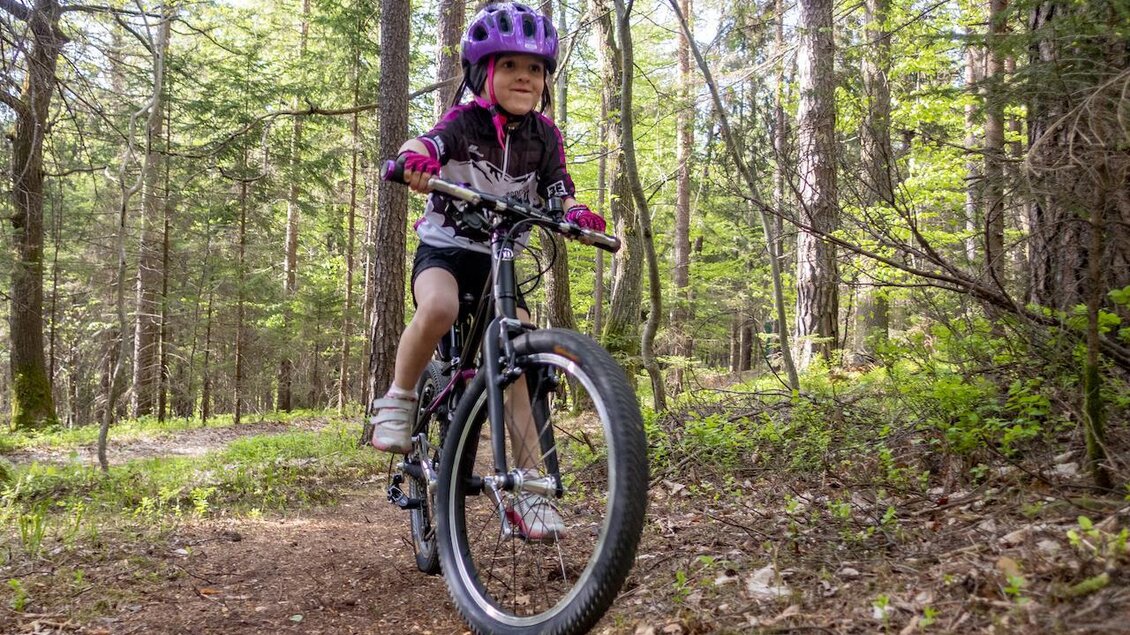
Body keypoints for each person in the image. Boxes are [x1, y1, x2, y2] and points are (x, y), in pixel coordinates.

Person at [370, 1, 606, 541]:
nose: (524, 77)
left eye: (535, 69)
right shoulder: (466, 120)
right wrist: (415, 162)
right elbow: (425, 143)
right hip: (445, 250)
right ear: (483, 73)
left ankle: (527, 485)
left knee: (517, 358)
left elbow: (557, 189)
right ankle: (400, 400)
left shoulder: (545, 136)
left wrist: (573, 214)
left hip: (499, 258)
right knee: (438, 308)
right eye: (510, 67)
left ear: (546, 80)